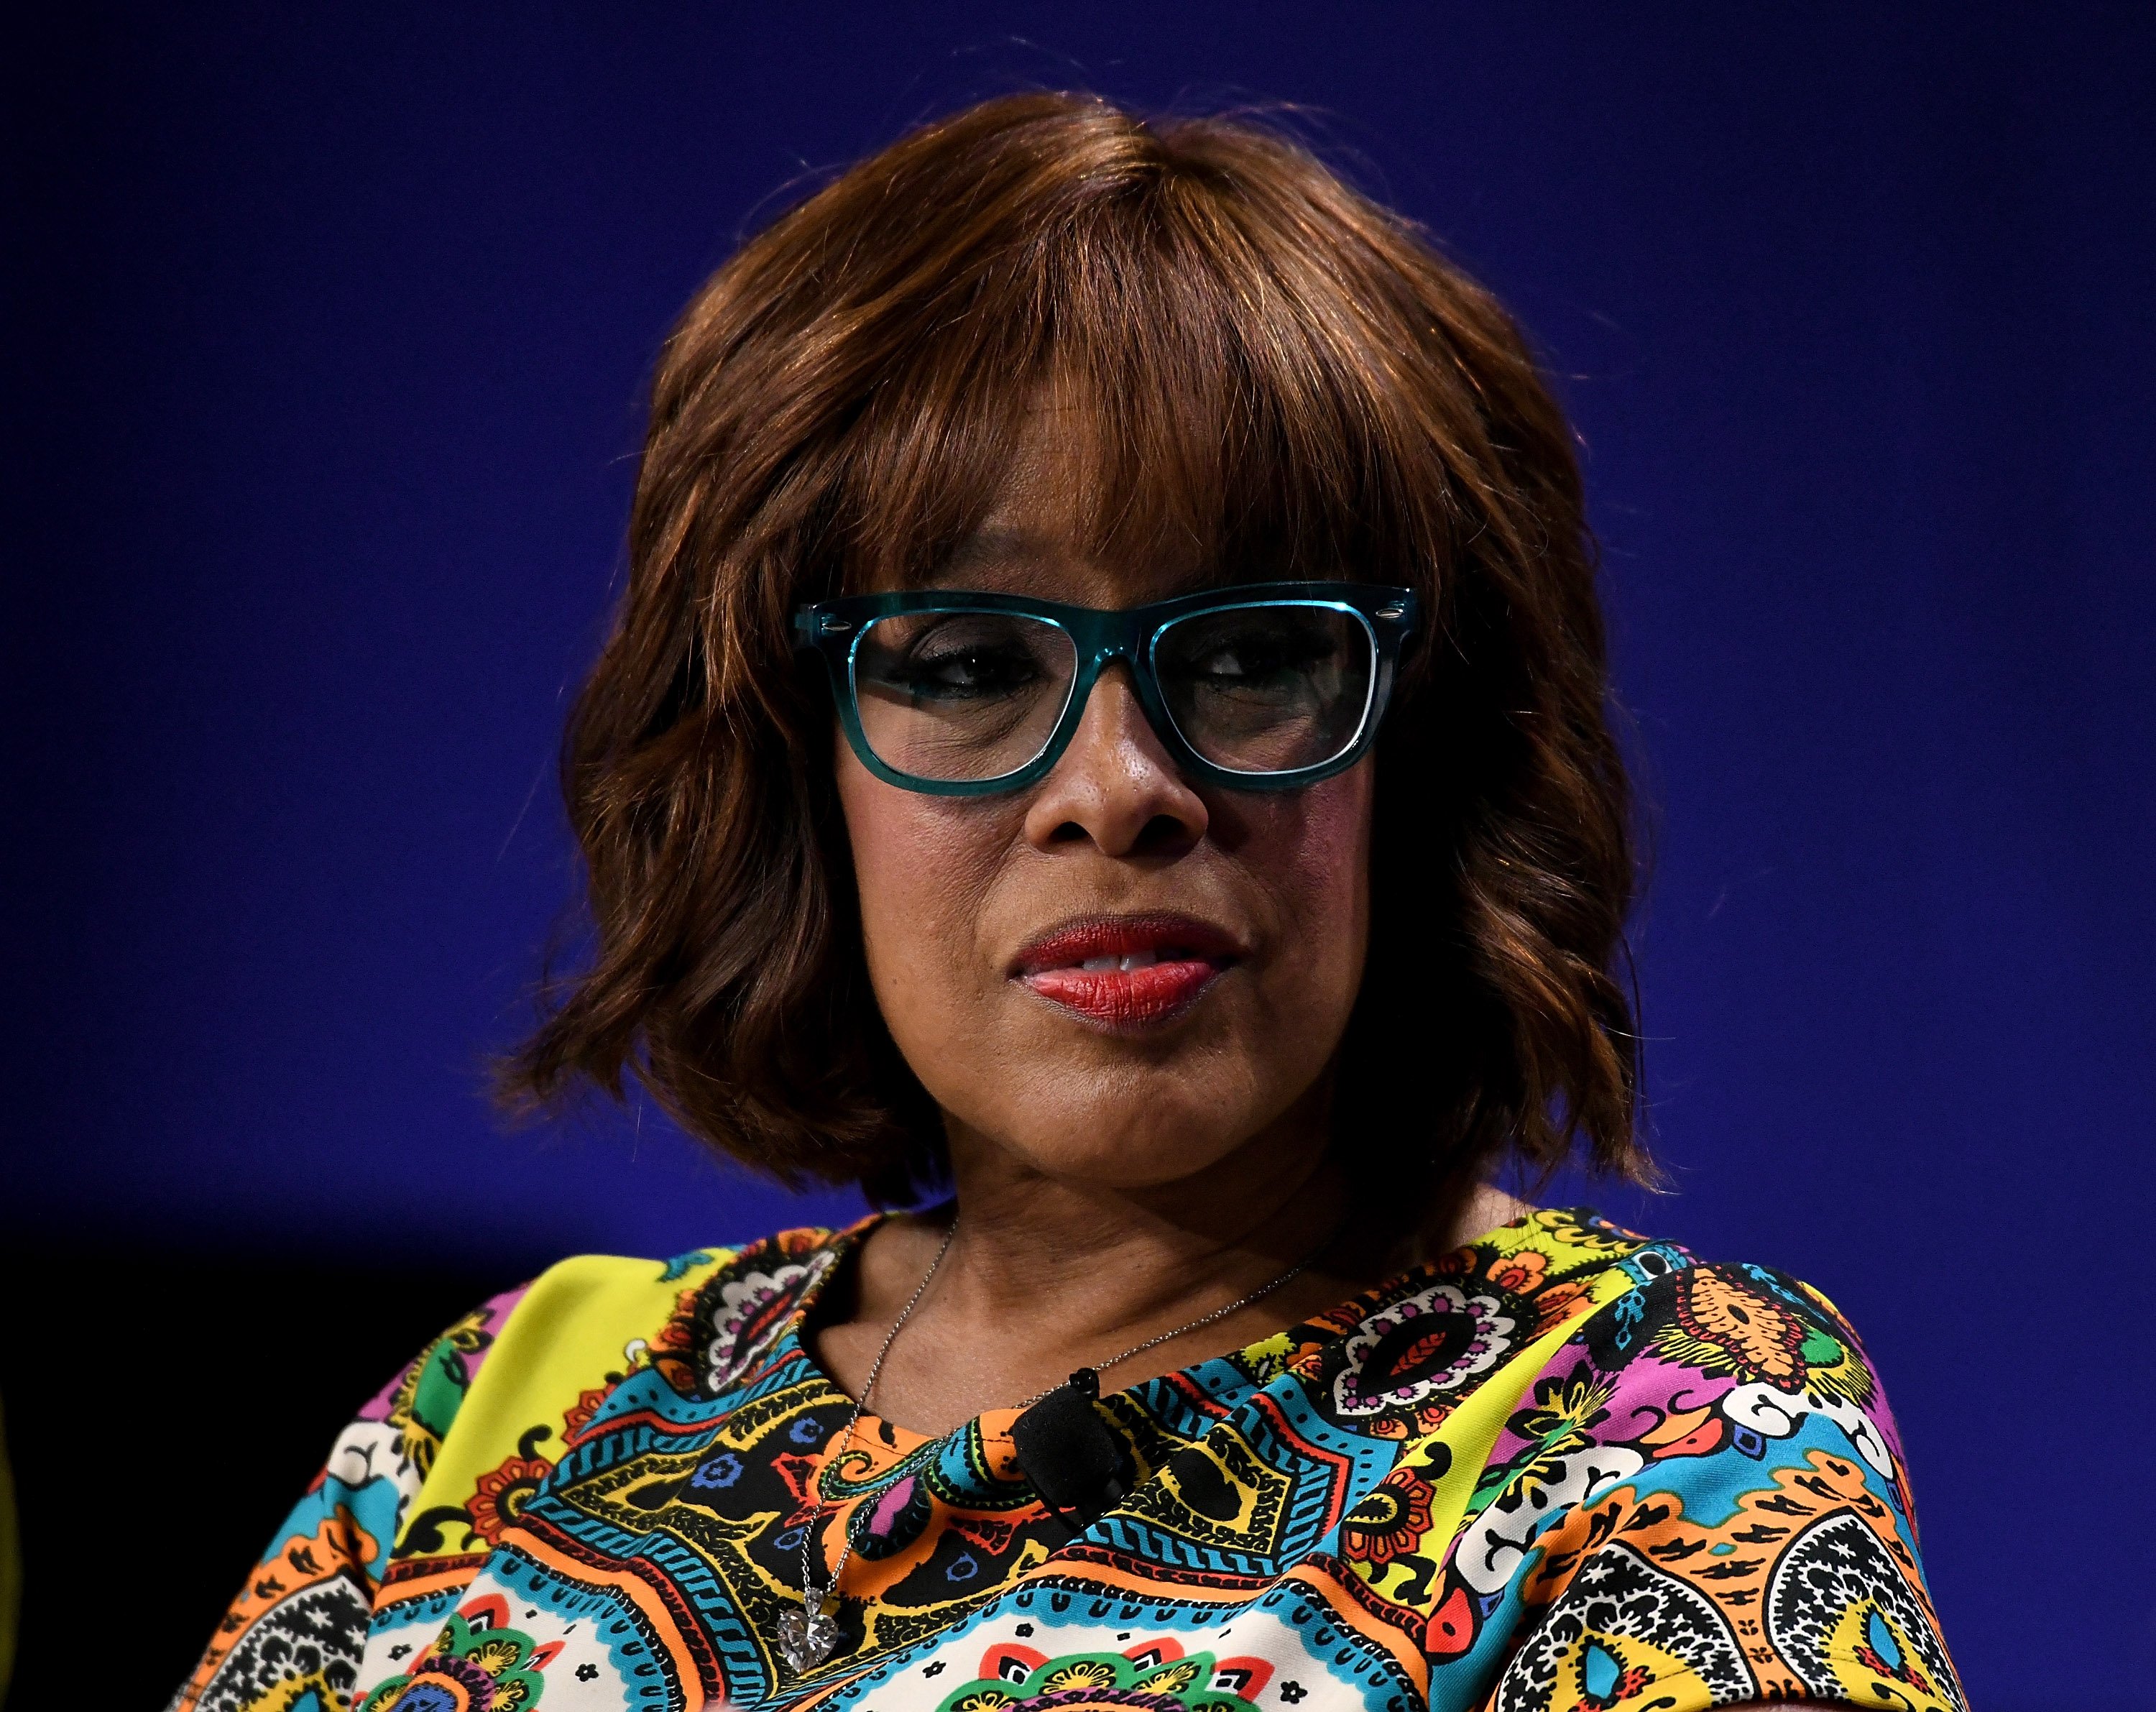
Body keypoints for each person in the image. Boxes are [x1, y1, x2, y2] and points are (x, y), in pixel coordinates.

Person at [171, 93, 1963, 1712]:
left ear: (1423, 755)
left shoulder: (1658, 1431)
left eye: (1255, 655)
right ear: (801, 766)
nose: (1119, 789)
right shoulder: (490, 1417)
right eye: (966, 664)